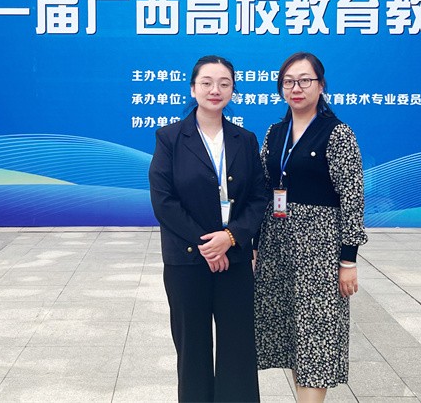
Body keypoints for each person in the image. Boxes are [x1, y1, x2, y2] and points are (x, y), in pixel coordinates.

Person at [149, 55, 268, 403]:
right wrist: (207, 244)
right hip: (187, 262)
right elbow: (164, 201)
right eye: (207, 82)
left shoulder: (245, 139)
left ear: (232, 90)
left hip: (235, 260)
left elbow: (259, 197)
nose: (215, 90)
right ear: (193, 88)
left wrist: (230, 238)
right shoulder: (170, 138)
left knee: (238, 349)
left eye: (224, 83)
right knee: (193, 351)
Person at [254, 52, 367, 402]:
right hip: (278, 244)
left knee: (316, 336)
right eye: (288, 81)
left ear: (321, 85)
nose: (296, 88)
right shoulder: (275, 133)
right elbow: (262, 188)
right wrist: (255, 246)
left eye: (305, 80)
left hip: (319, 250)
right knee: (293, 334)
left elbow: (352, 198)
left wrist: (348, 260)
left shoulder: (337, 133)